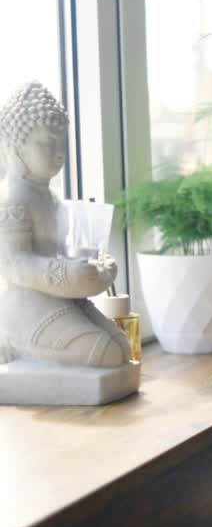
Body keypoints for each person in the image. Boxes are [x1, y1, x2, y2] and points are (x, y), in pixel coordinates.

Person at [0, 81, 129, 367]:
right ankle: (11, 336)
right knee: (105, 353)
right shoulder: (11, 200)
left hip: (63, 299)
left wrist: (97, 267)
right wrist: (69, 273)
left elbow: (62, 249)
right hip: (26, 306)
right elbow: (13, 264)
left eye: (62, 143)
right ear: (14, 145)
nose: (59, 153)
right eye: (47, 143)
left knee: (122, 346)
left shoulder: (52, 198)